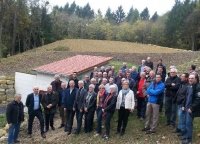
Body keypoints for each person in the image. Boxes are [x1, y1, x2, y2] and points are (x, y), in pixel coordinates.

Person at [181, 74, 200, 144]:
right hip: (185, 108)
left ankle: (189, 140)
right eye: (189, 78)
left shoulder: (198, 87)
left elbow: (198, 99)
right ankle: (185, 136)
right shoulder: (189, 86)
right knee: (185, 123)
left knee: (188, 124)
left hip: (191, 109)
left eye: (192, 78)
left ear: (196, 79)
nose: (190, 79)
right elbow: (186, 97)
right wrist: (183, 105)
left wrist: (191, 108)